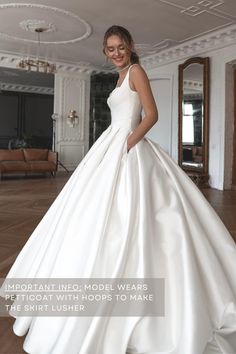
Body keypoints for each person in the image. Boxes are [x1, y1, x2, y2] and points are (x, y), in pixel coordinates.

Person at [1, 25, 236, 354]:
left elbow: (151, 115)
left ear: (130, 46)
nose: (115, 53)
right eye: (110, 49)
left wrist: (126, 144)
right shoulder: (118, 76)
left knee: (139, 212)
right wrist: (115, 143)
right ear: (104, 51)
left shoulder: (137, 71)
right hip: (110, 145)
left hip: (127, 147)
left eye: (120, 47)